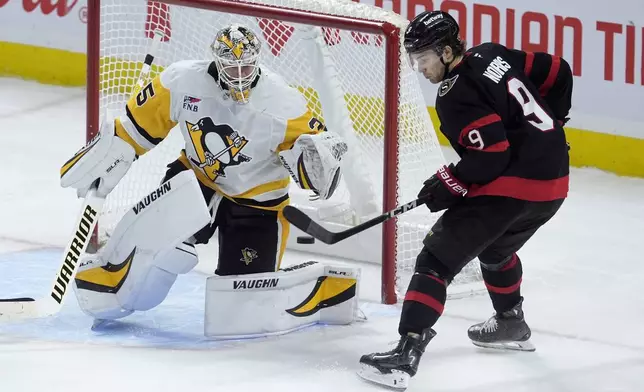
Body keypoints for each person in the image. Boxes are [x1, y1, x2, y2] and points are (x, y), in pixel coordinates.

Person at [59, 24, 347, 325]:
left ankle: (321, 287)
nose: (239, 75)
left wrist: (316, 164)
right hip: (194, 182)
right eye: (231, 68)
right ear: (216, 61)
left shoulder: (283, 102)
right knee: (156, 251)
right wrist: (112, 153)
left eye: (246, 66)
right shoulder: (181, 81)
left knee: (240, 308)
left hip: (258, 203)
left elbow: (319, 161)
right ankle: (113, 280)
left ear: (258, 61)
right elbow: (133, 129)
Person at [358, 10, 572, 389]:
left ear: (443, 51)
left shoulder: (454, 96)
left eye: (422, 58)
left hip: (513, 186)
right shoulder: (492, 54)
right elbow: (558, 70)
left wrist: (450, 182)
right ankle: (511, 321)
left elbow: (492, 156)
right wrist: (555, 124)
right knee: (495, 250)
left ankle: (406, 352)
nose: (419, 68)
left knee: (435, 259)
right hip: (554, 184)